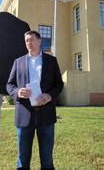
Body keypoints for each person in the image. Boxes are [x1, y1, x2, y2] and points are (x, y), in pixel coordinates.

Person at [6, 30, 64, 169]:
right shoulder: (18, 62)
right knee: (23, 159)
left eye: (31, 40)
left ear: (39, 41)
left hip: (46, 115)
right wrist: (18, 91)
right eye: (26, 41)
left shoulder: (51, 61)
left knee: (47, 159)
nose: (29, 43)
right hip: (24, 115)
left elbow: (59, 84)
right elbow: (9, 85)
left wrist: (49, 96)